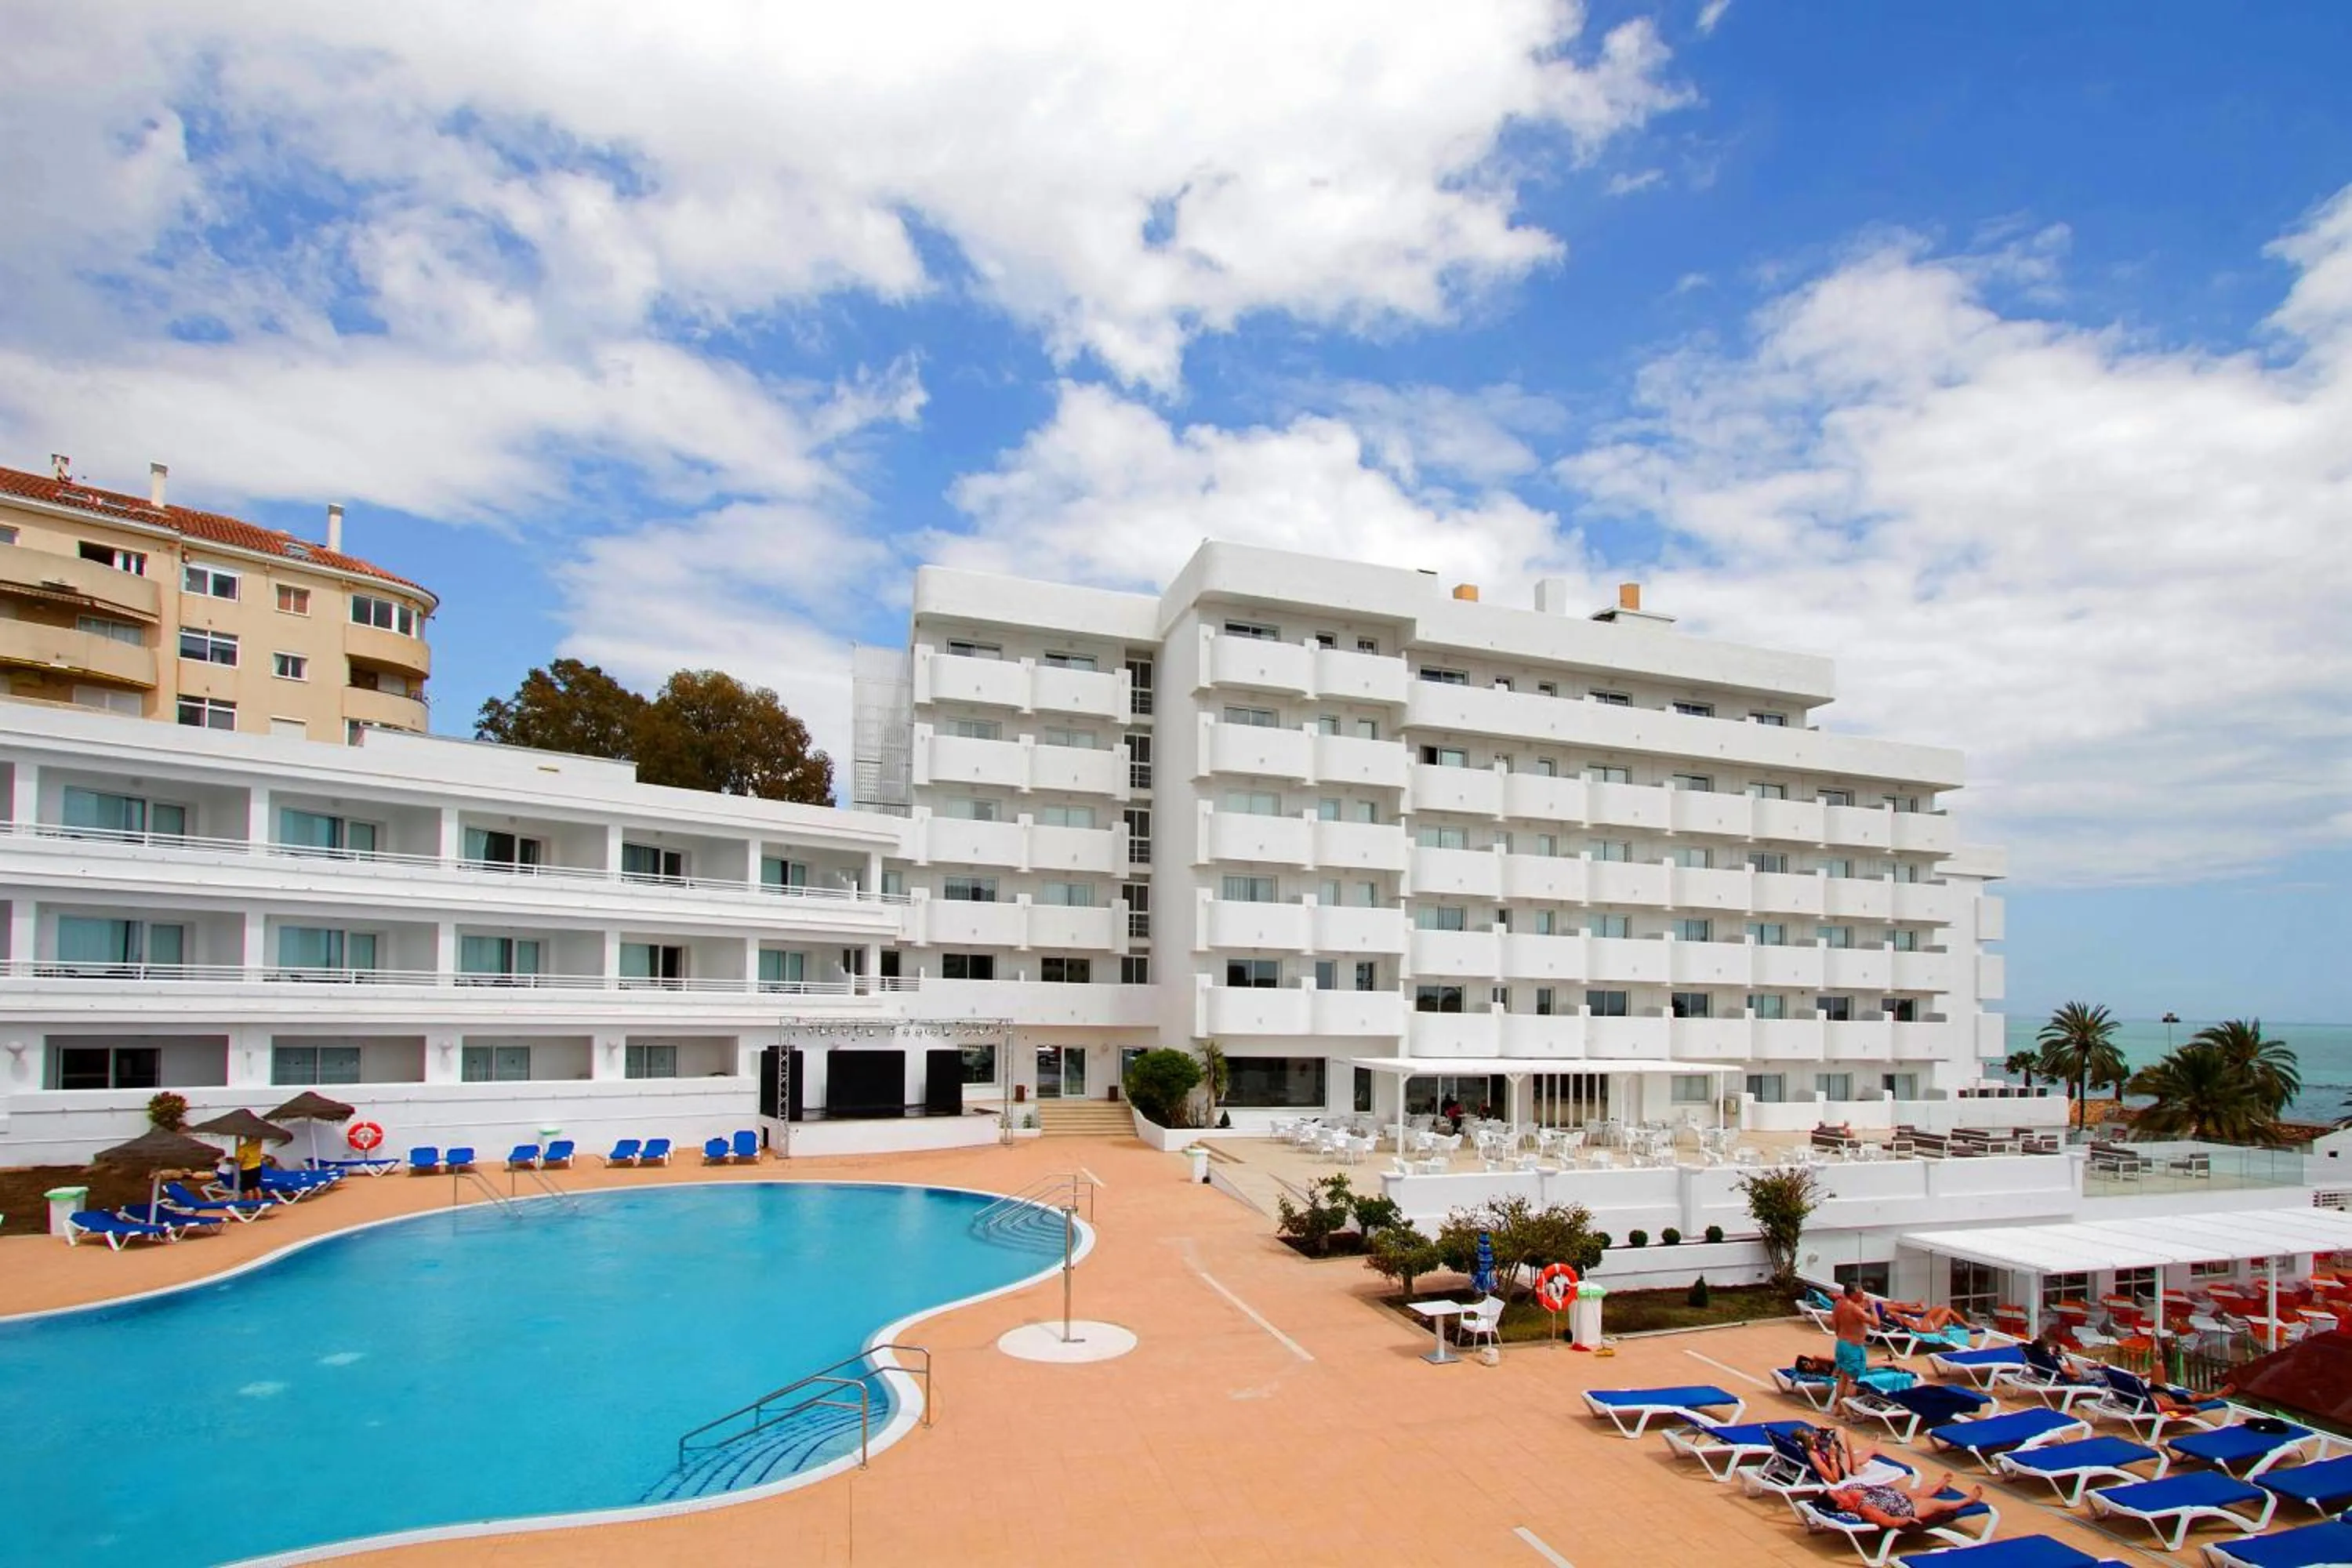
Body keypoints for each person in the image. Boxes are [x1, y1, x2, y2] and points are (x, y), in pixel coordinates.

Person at [1826, 1472, 1984, 1531]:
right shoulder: (1865, 1509)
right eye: (1838, 1493)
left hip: (1897, 1497)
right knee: (1936, 1504)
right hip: (1907, 1509)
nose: (1841, 1490)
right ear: (1841, 1505)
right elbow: (1890, 1522)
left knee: (1919, 1491)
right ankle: (1967, 1501)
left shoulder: (1851, 1490)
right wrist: (1906, 1519)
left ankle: (1939, 1486)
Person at [1831, 1283, 1873, 1408]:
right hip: (1853, 1346)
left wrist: (1840, 1336)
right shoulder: (1854, 1309)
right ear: (1853, 1294)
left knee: (1843, 1376)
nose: (1863, 1295)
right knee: (1854, 1380)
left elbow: (1835, 1324)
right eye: (1860, 1294)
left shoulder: (1839, 1304)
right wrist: (1873, 1307)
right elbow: (1876, 1322)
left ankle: (1838, 1407)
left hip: (1842, 1344)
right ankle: (1846, 1409)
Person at [1883, 1298, 1970, 1333]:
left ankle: (1961, 1324)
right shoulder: (1901, 1320)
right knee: (1947, 1311)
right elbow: (1918, 1328)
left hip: (1924, 1321)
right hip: (1929, 1327)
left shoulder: (1899, 1315)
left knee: (1939, 1308)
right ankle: (1968, 1326)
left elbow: (1899, 1307)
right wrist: (1937, 1332)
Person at [235, 1134, 267, 1198]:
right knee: (257, 1186)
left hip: (247, 1169)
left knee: (249, 1188)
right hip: (257, 1167)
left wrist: (238, 1141)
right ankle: (259, 1202)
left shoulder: (243, 1148)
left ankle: (250, 1204)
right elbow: (260, 1138)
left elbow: (239, 1160)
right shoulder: (257, 1145)